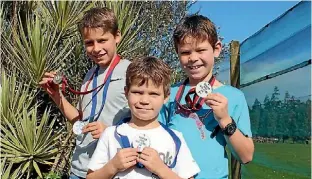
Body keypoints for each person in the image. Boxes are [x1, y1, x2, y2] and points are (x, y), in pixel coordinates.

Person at [158, 14, 255, 179]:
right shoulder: (168, 95)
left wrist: (225, 120)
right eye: (185, 52)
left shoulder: (234, 97)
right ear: (177, 53)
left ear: (216, 49)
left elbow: (246, 156)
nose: (193, 58)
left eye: (201, 50)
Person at [39, 7, 131, 179]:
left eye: (102, 40)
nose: (96, 48)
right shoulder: (89, 76)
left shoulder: (132, 73)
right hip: (79, 168)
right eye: (89, 43)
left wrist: (111, 131)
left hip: (112, 170)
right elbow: (81, 120)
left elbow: (147, 123)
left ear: (117, 36)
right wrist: (56, 96)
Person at [86, 57, 200, 179]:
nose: (144, 101)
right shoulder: (110, 134)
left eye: (153, 94)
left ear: (166, 97)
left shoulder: (175, 139)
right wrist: (113, 166)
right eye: (137, 92)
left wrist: (161, 169)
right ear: (126, 93)